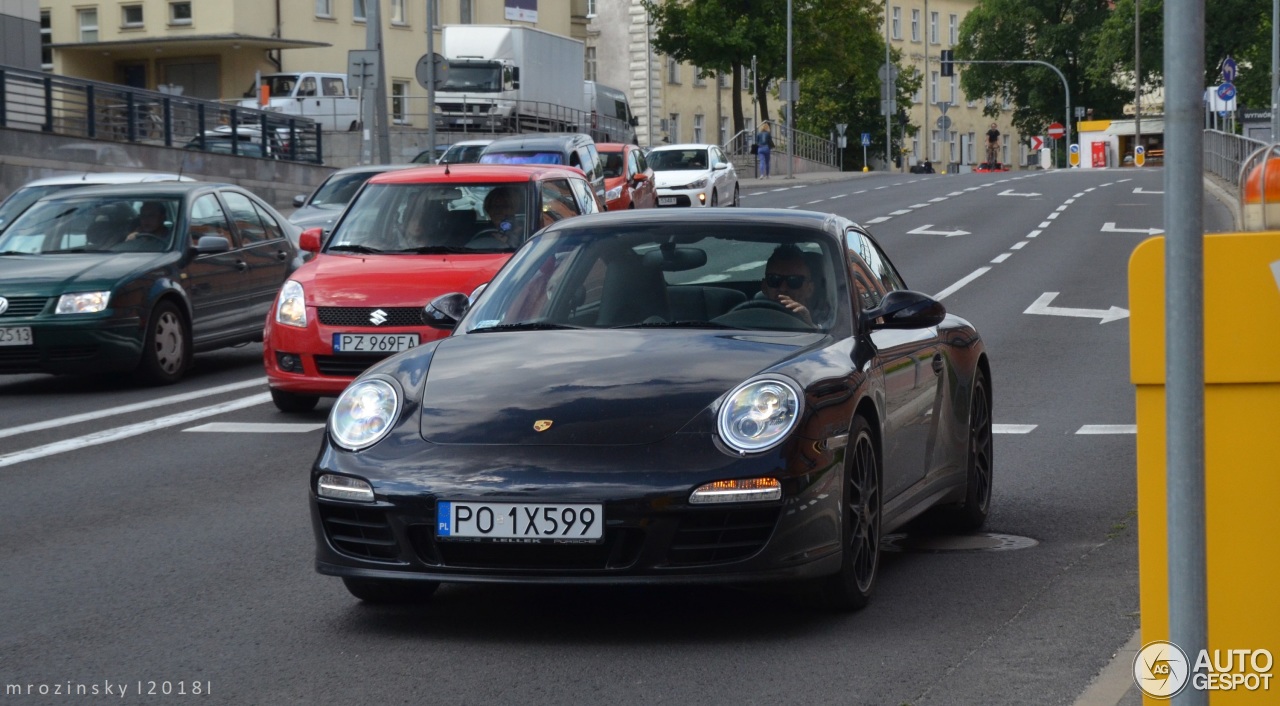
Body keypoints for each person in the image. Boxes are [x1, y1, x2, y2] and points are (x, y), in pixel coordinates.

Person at [760, 243, 816, 325]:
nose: (783, 288)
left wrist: (809, 325)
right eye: (774, 279)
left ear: (809, 290)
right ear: (764, 287)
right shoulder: (749, 319)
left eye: (794, 281)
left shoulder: (829, 321)